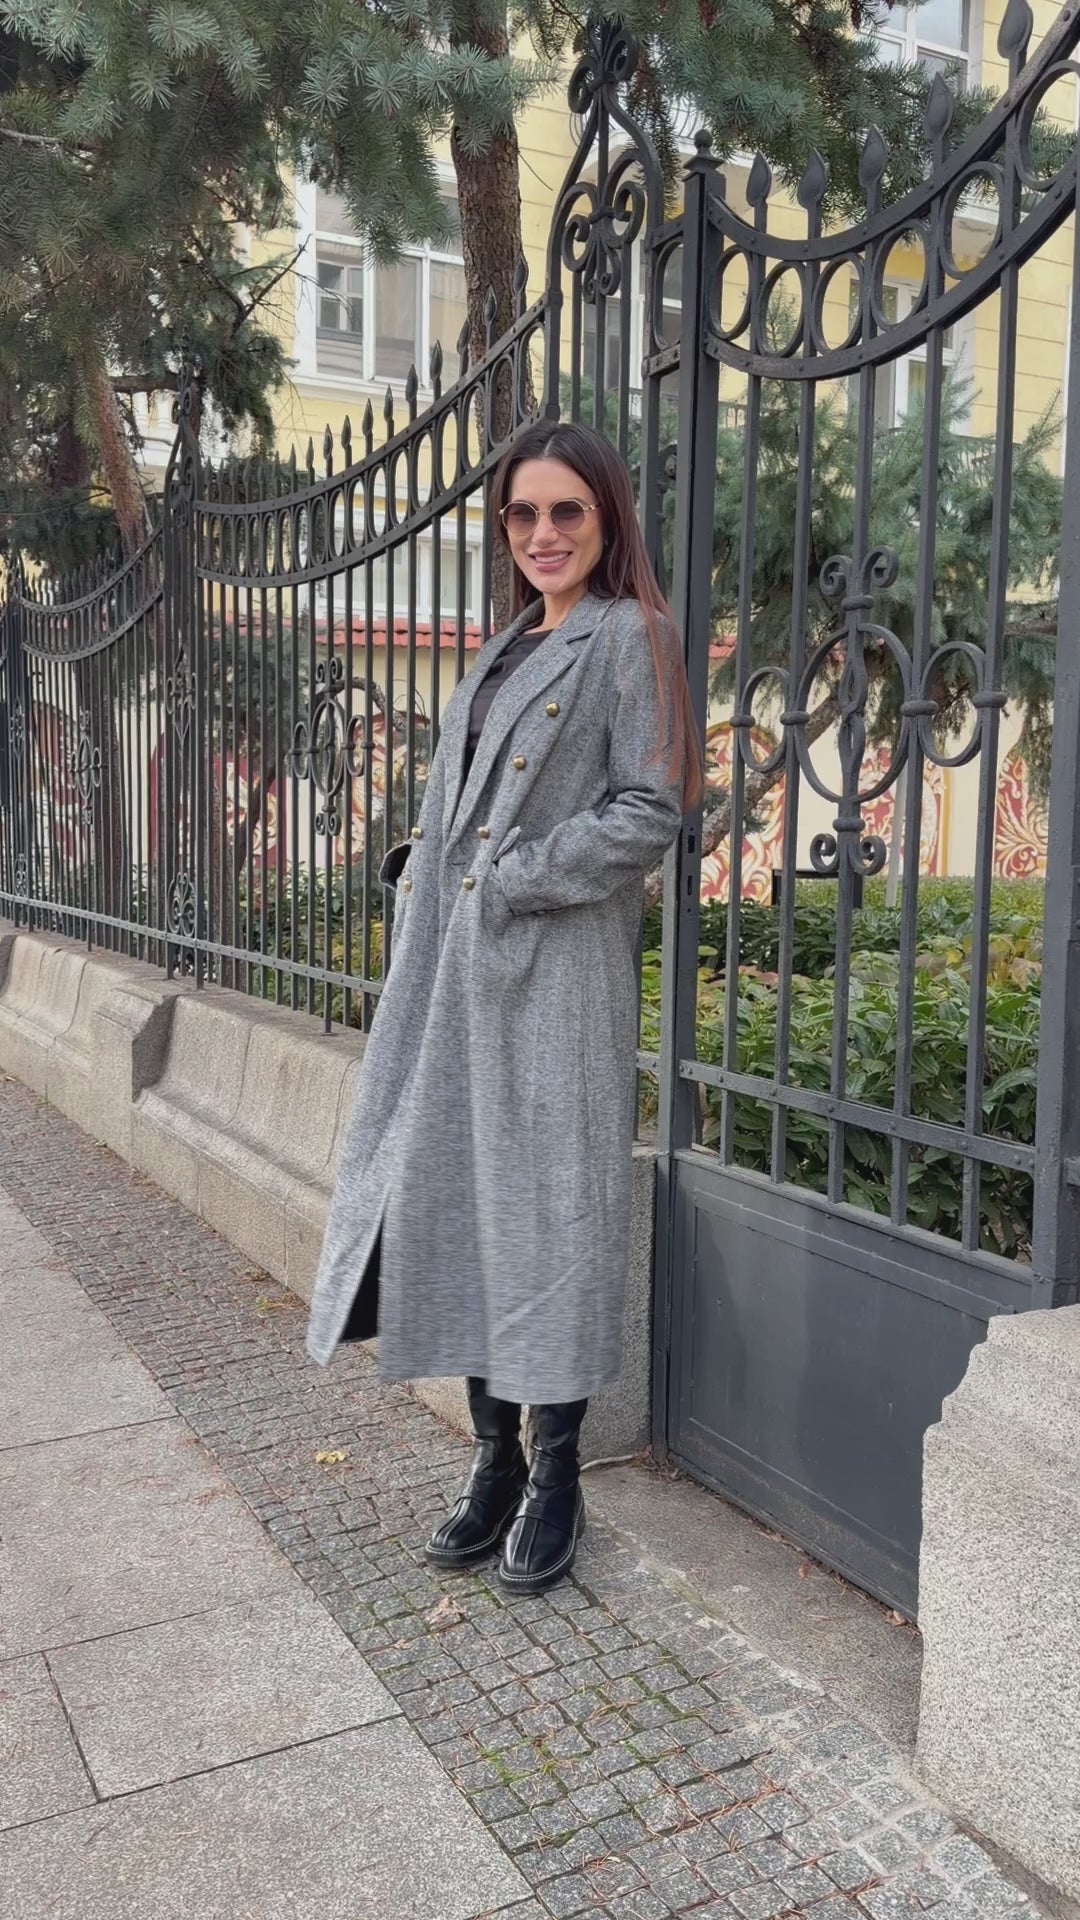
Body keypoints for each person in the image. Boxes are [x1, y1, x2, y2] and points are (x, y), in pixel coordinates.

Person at [306, 419, 703, 1595]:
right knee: (467, 1205)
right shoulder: (501, 648)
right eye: (522, 514)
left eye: (566, 511)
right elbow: (466, 805)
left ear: (606, 517)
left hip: (554, 978)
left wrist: (512, 878)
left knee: (552, 1213)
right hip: (455, 976)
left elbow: (652, 810)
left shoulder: (632, 636)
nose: (542, 533)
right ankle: (492, 1460)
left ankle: (556, 1475)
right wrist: (422, 869)